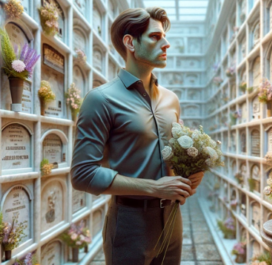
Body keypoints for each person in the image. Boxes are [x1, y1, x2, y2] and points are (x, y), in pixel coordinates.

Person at [70, 7, 204, 265]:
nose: (166, 43)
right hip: (130, 223)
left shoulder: (171, 100)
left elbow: (175, 154)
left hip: (173, 219)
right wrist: (154, 188)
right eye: (155, 37)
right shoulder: (101, 99)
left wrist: (191, 174)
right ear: (130, 42)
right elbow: (82, 174)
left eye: (164, 36)